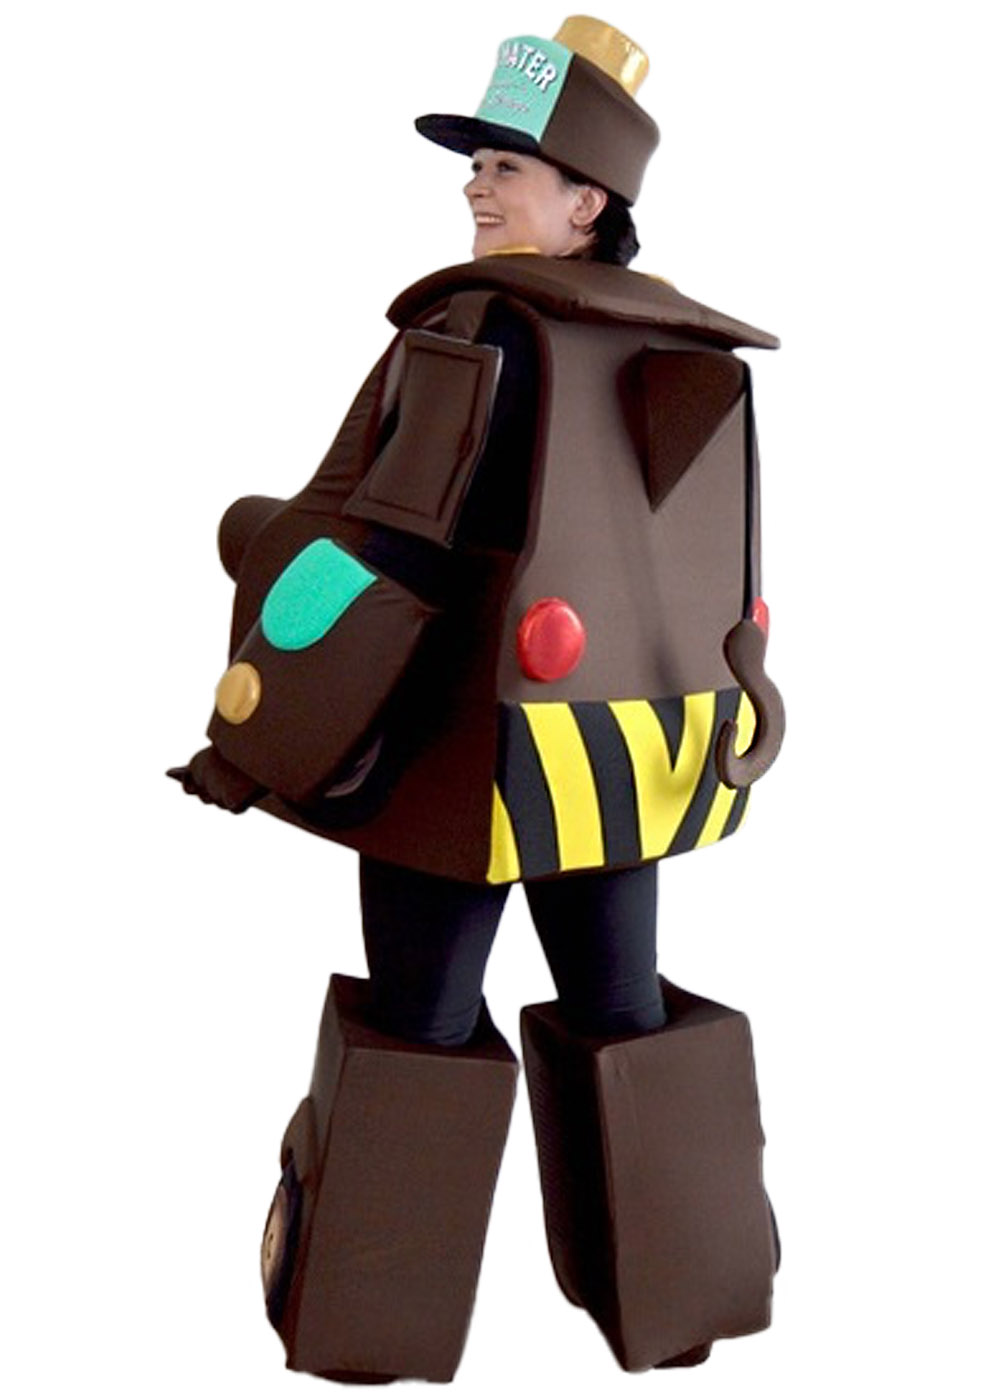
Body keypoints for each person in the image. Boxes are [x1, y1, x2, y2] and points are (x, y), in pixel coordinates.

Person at [171, 15, 785, 1385]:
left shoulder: (477, 324)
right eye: (478, 163)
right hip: (624, 754)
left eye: (508, 166)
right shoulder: (683, 351)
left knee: (424, 1019)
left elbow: (383, 548)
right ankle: (679, 1302)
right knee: (622, 1007)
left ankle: (368, 1328)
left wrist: (257, 726)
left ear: (588, 202)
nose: (476, 185)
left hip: (453, 756)